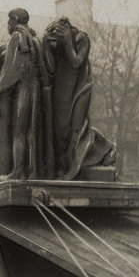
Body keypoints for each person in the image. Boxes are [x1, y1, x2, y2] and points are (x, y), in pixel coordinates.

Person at [0, 8, 55, 180]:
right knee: (31, 131)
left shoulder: (17, 38)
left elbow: (10, 70)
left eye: (9, 20)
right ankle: (30, 171)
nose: (8, 24)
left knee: (19, 131)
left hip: (24, 88)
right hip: (35, 90)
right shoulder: (33, 38)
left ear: (15, 20)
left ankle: (17, 172)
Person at [42, 16, 116, 179]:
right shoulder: (56, 44)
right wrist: (46, 45)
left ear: (69, 28)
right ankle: (103, 147)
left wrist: (68, 41)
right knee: (61, 131)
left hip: (80, 89)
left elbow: (76, 61)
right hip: (61, 91)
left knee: (77, 128)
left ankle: (73, 169)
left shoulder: (81, 38)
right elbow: (51, 68)